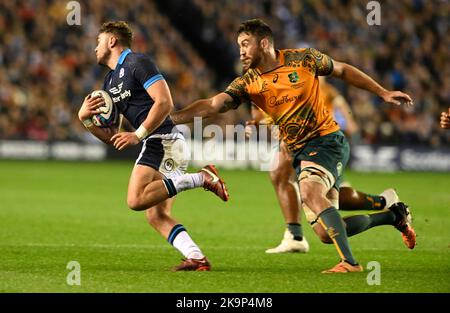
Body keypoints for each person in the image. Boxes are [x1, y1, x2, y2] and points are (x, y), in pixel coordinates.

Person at [171, 19, 415, 273]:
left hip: (326, 141)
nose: (241, 51)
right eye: (239, 46)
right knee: (324, 232)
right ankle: (393, 214)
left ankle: (349, 263)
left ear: (263, 43)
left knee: (309, 192)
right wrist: (171, 119)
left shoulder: (304, 59)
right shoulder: (248, 82)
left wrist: (382, 92)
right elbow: (212, 105)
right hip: (299, 152)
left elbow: (342, 70)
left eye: (245, 44)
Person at [77, 21, 229, 272]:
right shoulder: (109, 81)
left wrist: (138, 134)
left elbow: (164, 102)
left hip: (163, 140)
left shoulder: (138, 63)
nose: (95, 48)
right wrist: (85, 119)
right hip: (161, 143)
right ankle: (197, 258)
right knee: (155, 215)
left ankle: (202, 178)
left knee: (136, 200)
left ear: (112, 41)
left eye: (98, 41)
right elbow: (114, 137)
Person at [247, 106, 405, 254]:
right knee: (281, 175)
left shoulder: (301, 84)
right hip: (304, 146)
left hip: (321, 146)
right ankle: (295, 236)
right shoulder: (255, 86)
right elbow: (261, 111)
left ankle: (385, 208)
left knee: (325, 224)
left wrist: (351, 121)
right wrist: (261, 123)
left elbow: (335, 96)